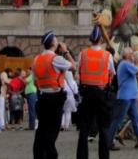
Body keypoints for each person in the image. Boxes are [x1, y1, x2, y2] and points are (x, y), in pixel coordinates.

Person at [33, 31, 76, 159]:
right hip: (55, 97)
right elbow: (74, 67)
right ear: (52, 43)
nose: (58, 42)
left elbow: (35, 78)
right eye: (56, 40)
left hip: (42, 96)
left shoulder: (37, 59)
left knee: (41, 128)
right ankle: (51, 155)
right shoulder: (56, 59)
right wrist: (66, 51)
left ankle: (39, 155)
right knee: (53, 129)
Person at [105, 48, 138, 151]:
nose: (133, 55)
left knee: (136, 120)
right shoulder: (125, 64)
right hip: (125, 97)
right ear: (127, 55)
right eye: (131, 54)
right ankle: (107, 142)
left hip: (131, 97)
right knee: (117, 120)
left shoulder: (128, 65)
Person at [75, 26, 114, 159]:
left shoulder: (83, 53)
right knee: (103, 127)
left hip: (86, 93)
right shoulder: (107, 55)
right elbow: (112, 73)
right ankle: (103, 156)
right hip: (102, 93)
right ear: (101, 39)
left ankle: (82, 156)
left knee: (84, 127)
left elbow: (77, 72)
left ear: (90, 39)